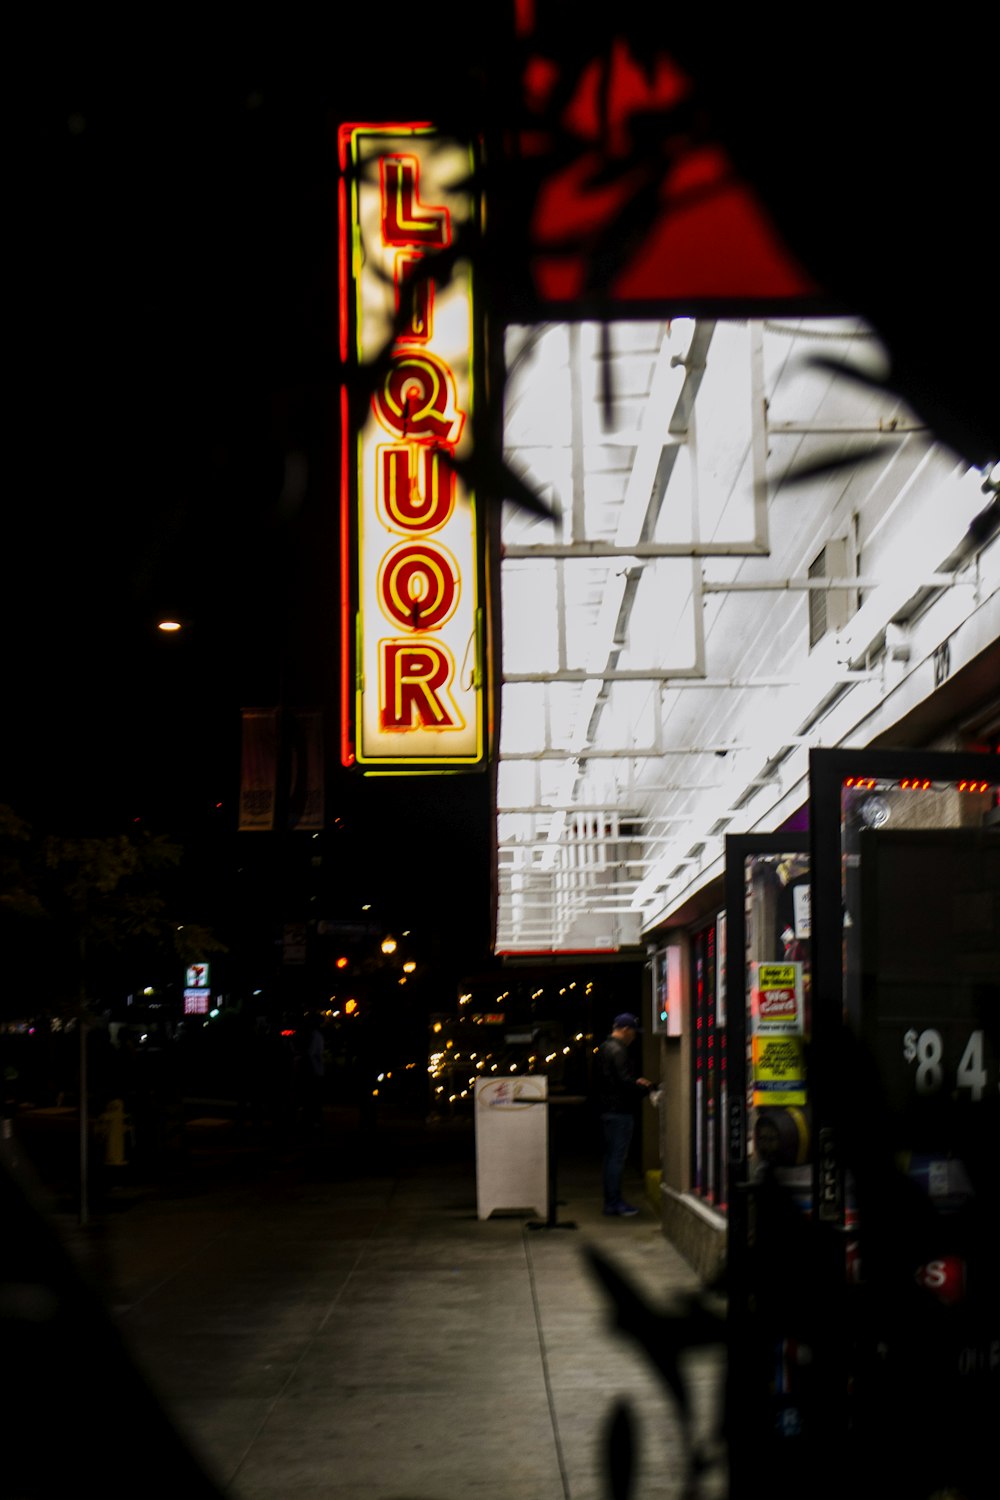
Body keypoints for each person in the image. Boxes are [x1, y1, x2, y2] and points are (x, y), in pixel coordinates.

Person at [597, 1013, 654, 1216]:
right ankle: (614, 1203)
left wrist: (634, 1082)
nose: (634, 1037)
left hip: (607, 1110)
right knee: (617, 1158)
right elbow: (624, 1082)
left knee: (610, 1157)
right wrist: (645, 1089)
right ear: (625, 1030)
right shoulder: (619, 1050)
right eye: (633, 1032)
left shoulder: (604, 1047)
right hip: (620, 1111)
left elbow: (613, 1079)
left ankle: (611, 1201)